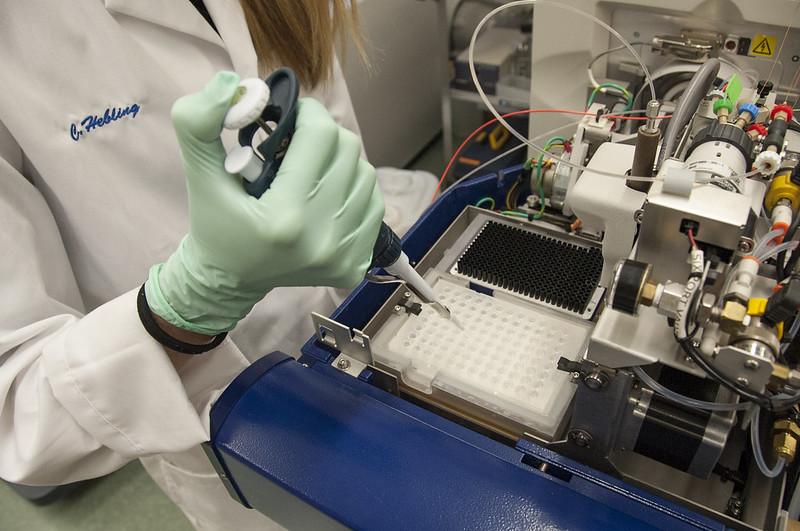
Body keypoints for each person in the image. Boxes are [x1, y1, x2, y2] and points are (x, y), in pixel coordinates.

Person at [0, 1, 430, 529]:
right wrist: (191, 303)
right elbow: (18, 416)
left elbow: (327, 125)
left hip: (370, 327)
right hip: (233, 418)